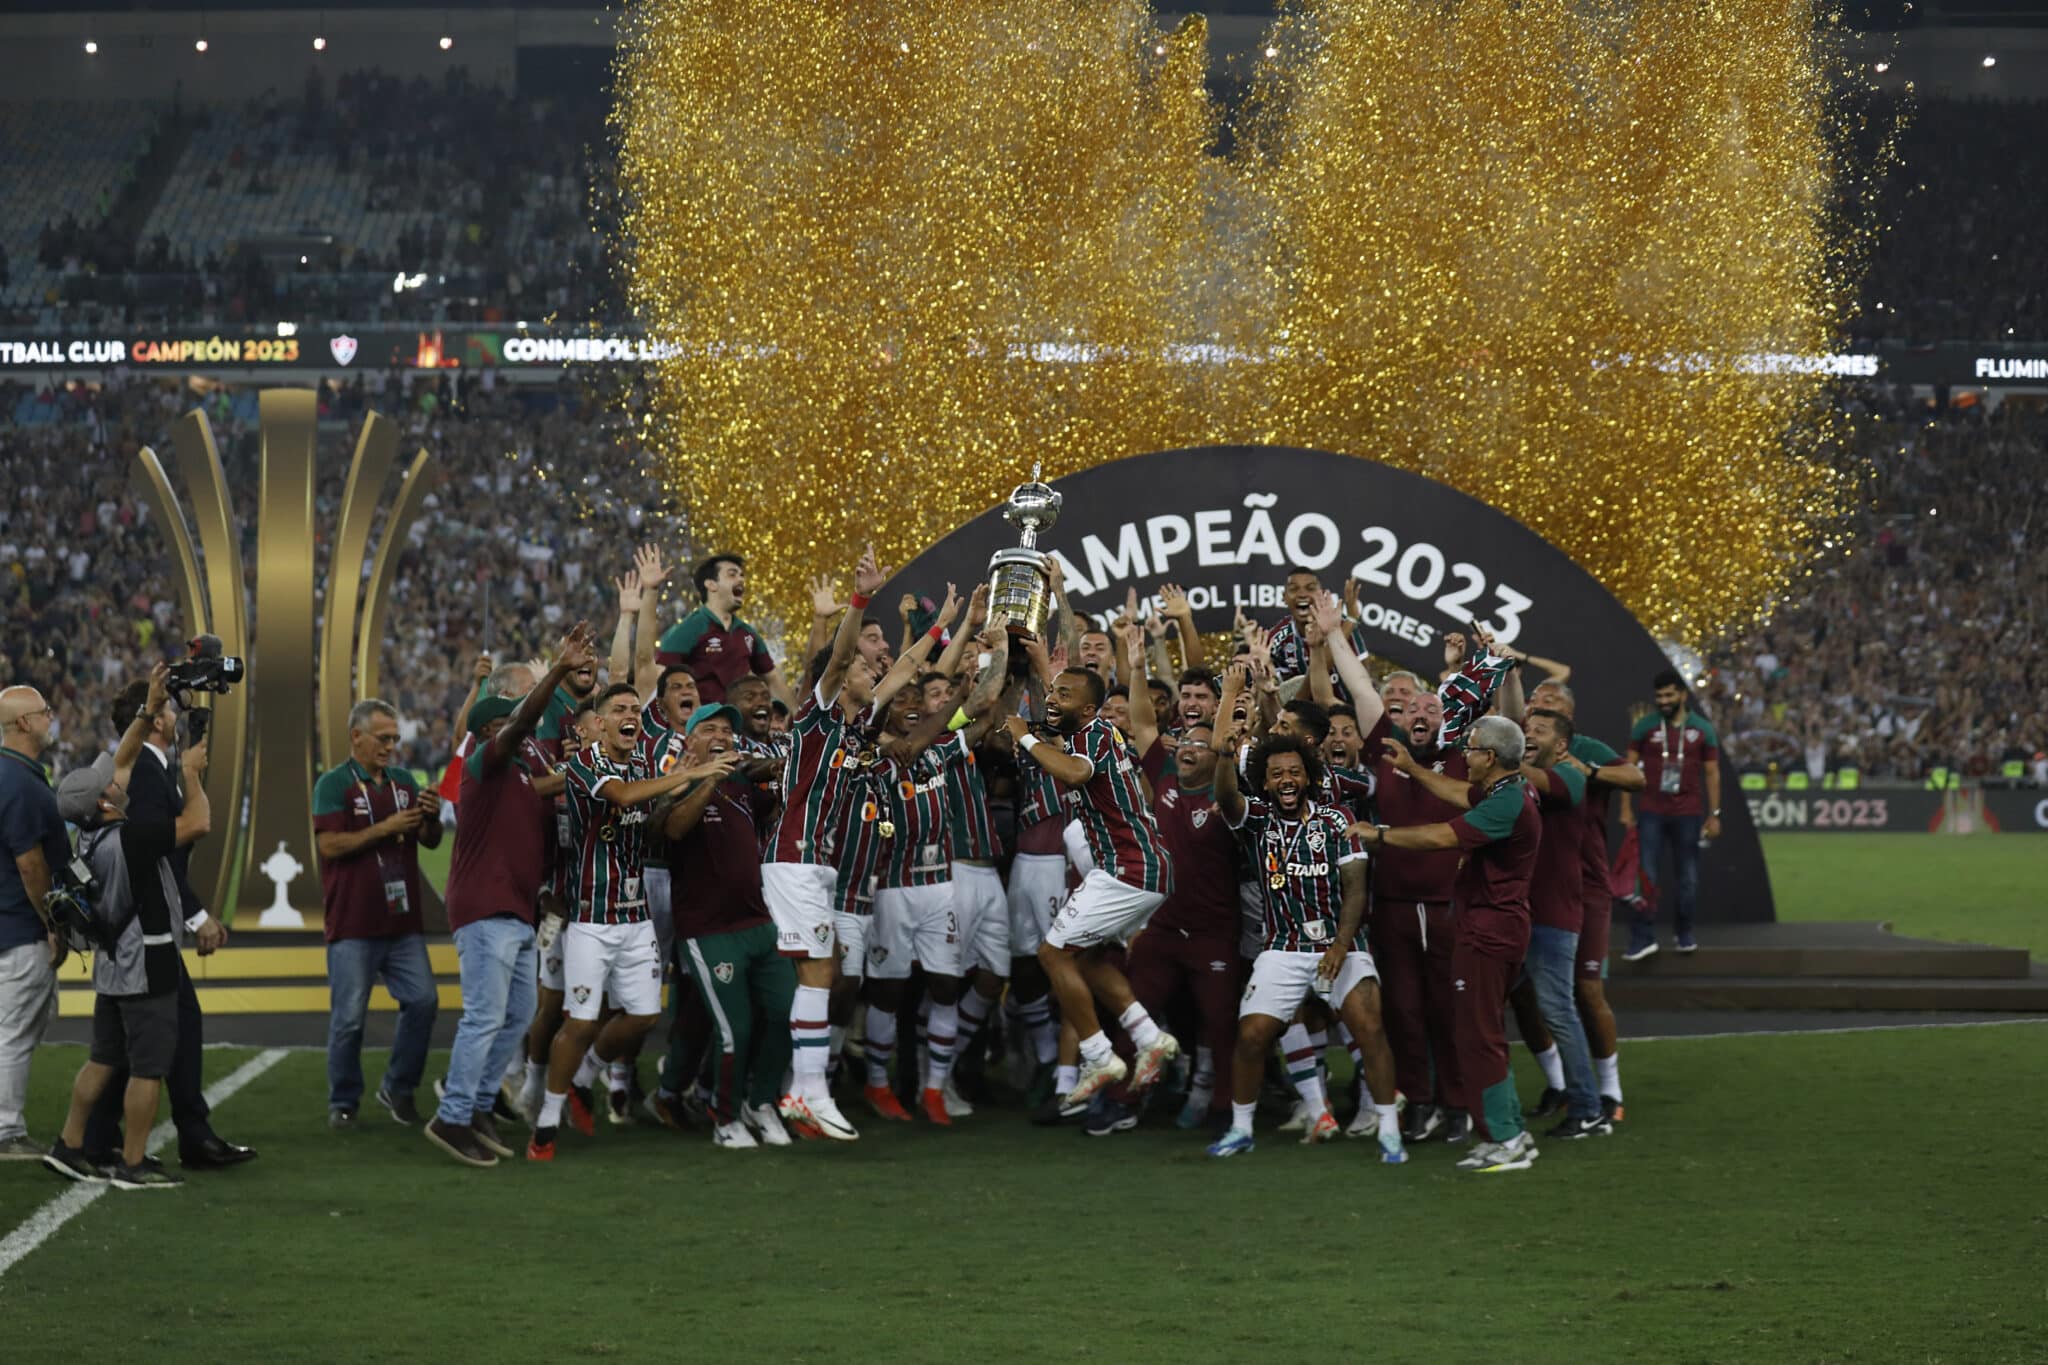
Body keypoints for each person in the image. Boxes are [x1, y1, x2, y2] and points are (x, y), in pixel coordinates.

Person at [428, 624, 595, 1169]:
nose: (526, 718)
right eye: (515, 712)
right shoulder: (485, 757)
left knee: (519, 1012)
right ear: (494, 724)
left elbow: (554, 786)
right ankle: (452, 1115)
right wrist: (559, 672)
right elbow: (525, 720)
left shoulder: (522, 770)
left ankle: (476, 1106)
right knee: (484, 1015)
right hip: (485, 907)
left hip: (517, 911)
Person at [757, 544, 907, 1142]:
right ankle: (805, 1090)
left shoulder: (850, 727)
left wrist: (946, 627)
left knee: (819, 972)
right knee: (821, 968)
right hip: (793, 861)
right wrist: (860, 600)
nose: (871, 672)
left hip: (814, 865)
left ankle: (804, 1090)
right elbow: (843, 652)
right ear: (836, 680)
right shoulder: (817, 717)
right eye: (860, 671)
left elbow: (897, 675)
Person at [1204, 724, 1406, 1163]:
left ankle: (1390, 1130)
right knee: (1252, 1036)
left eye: (1294, 772)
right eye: (1276, 774)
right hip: (1282, 947)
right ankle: (1241, 1129)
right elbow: (1225, 799)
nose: (1286, 781)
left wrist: (1339, 945)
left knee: (1369, 1029)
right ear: (1265, 780)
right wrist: (1223, 758)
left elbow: (1355, 889)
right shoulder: (1256, 817)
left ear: (1309, 776)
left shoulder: (1337, 820)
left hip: (1342, 945)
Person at [528, 683, 710, 1162]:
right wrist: (683, 778)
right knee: (581, 1021)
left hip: (636, 918)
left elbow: (654, 825)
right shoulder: (588, 763)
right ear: (601, 724)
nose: (631, 715)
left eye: (635, 709)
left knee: (645, 1016)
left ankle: (584, 1079)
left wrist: (693, 781)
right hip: (590, 918)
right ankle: (546, 1120)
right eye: (620, 710)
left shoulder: (644, 766)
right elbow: (624, 799)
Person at [1354, 714, 1542, 1174]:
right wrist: (1414, 770)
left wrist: (1378, 836)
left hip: (1488, 930)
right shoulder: (1506, 791)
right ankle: (1507, 1129)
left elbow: (1442, 836)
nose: (1464, 755)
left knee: (1479, 1035)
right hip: (1494, 925)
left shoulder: (1507, 803)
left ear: (1490, 758)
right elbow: (1459, 795)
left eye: (1471, 748)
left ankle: (1506, 1138)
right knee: (1482, 1032)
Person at [82, 674, 248, 1170]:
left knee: (127, 1043)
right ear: (156, 720)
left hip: (133, 930)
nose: (177, 717)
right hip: (145, 930)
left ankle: (94, 1138)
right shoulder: (151, 775)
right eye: (170, 711)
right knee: (151, 1039)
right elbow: (169, 848)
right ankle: (173, 1139)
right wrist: (196, 916)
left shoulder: (141, 769)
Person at [1004, 644, 1176, 1107]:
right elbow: (1065, 702)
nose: (1051, 700)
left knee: (1052, 954)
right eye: (1051, 693)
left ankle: (1098, 1054)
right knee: (1087, 959)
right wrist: (1044, 662)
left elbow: (1076, 773)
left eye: (1062, 696)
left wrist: (1024, 736)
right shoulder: (1093, 728)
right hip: (1141, 867)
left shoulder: (1091, 737)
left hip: (1127, 868)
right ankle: (1147, 1036)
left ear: (1085, 708)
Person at [42, 689, 191, 1188]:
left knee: (102, 1059)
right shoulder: (130, 836)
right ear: (106, 798)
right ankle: (131, 1163)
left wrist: (148, 710)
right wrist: (190, 771)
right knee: (148, 1068)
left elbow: (121, 763)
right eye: (113, 782)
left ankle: (70, 1143)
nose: (120, 779)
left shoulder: (87, 837)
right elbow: (199, 822)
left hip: (110, 966)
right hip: (145, 964)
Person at [315, 699, 444, 1128]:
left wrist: (430, 817)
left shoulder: (404, 782)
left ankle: (399, 1087)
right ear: (356, 737)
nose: (391, 746)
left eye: (395, 739)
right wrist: (385, 829)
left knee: (424, 1001)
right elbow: (329, 846)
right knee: (349, 1019)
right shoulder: (333, 784)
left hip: (401, 921)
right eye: (383, 738)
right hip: (353, 922)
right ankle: (344, 1100)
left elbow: (428, 841)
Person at [662, 703, 781, 1148]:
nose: (722, 736)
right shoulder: (676, 777)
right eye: (709, 729)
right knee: (736, 1030)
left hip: (757, 919)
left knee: (785, 1014)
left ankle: (761, 1102)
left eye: (727, 731)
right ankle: (725, 1118)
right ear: (688, 740)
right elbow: (672, 829)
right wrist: (707, 777)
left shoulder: (743, 783)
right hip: (708, 927)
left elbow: (777, 799)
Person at [1529, 678, 1644, 1123]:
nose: (1540, 705)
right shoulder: (1523, 747)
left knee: (1586, 989)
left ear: (1569, 717)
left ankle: (1609, 1091)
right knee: (1529, 995)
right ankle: (1559, 1084)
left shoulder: (1587, 748)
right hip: (1531, 885)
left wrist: (1588, 770)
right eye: (1536, 700)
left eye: (1551, 702)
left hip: (1585, 886)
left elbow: (1636, 777)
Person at [1124, 721, 1245, 1131]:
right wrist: (1138, 665)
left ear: (1217, 757)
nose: (1187, 748)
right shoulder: (1163, 775)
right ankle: (1125, 1097)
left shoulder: (1227, 797)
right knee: (1132, 1010)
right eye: (1185, 741)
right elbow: (1141, 723)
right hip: (1162, 927)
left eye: (1200, 743)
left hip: (1214, 932)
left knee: (1220, 1021)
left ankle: (1223, 1104)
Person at [0, 684, 68, 1160]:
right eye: (44, 712)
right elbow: (30, 864)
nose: (51, 718)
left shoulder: (12, 775)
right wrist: (52, 920)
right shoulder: (20, 782)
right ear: (22, 723)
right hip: (20, 926)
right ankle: (6, 1131)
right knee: (16, 1031)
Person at [1620, 669, 1723, 960]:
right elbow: (1628, 769)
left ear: (1682, 695)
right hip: (1651, 811)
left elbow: (1712, 773)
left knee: (1688, 877)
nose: (1663, 701)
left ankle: (1684, 932)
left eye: (1668, 695)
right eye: (1659, 696)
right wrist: (1626, 809)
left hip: (1688, 813)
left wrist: (1714, 814)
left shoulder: (1702, 728)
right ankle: (1642, 937)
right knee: (1647, 876)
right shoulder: (1645, 726)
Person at [654, 552, 788, 705]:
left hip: (739, 724)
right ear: (711, 584)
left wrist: (799, 720)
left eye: (742, 575)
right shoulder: (690, 628)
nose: (741, 580)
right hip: (703, 724)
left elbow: (772, 678)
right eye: (732, 575)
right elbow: (661, 675)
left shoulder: (746, 633)